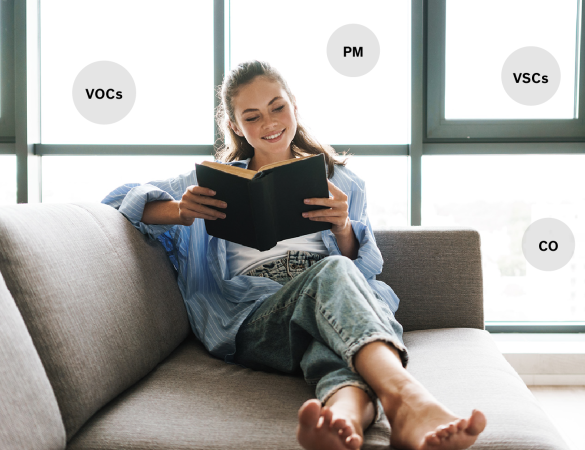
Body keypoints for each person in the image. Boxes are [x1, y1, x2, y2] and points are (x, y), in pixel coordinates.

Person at [102, 60, 486, 450]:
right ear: (235, 126)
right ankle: (407, 399)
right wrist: (179, 212)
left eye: (277, 107)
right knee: (331, 275)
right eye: (252, 116)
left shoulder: (341, 181)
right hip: (257, 317)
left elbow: (365, 266)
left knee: (334, 336)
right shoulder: (210, 181)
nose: (269, 123)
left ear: (294, 105)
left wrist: (343, 227)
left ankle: (344, 419)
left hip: (334, 305)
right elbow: (117, 202)